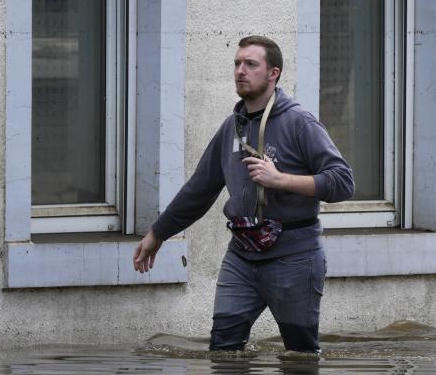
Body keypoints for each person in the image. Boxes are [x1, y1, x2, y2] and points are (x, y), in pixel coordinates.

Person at [133, 35, 354, 352]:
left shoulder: (299, 123)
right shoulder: (231, 129)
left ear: (273, 73)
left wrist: (281, 180)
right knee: (223, 348)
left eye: (251, 64)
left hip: (294, 257)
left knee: (300, 357)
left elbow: (342, 181)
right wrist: (158, 233)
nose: (240, 71)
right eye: (237, 63)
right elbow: (199, 189)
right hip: (241, 255)